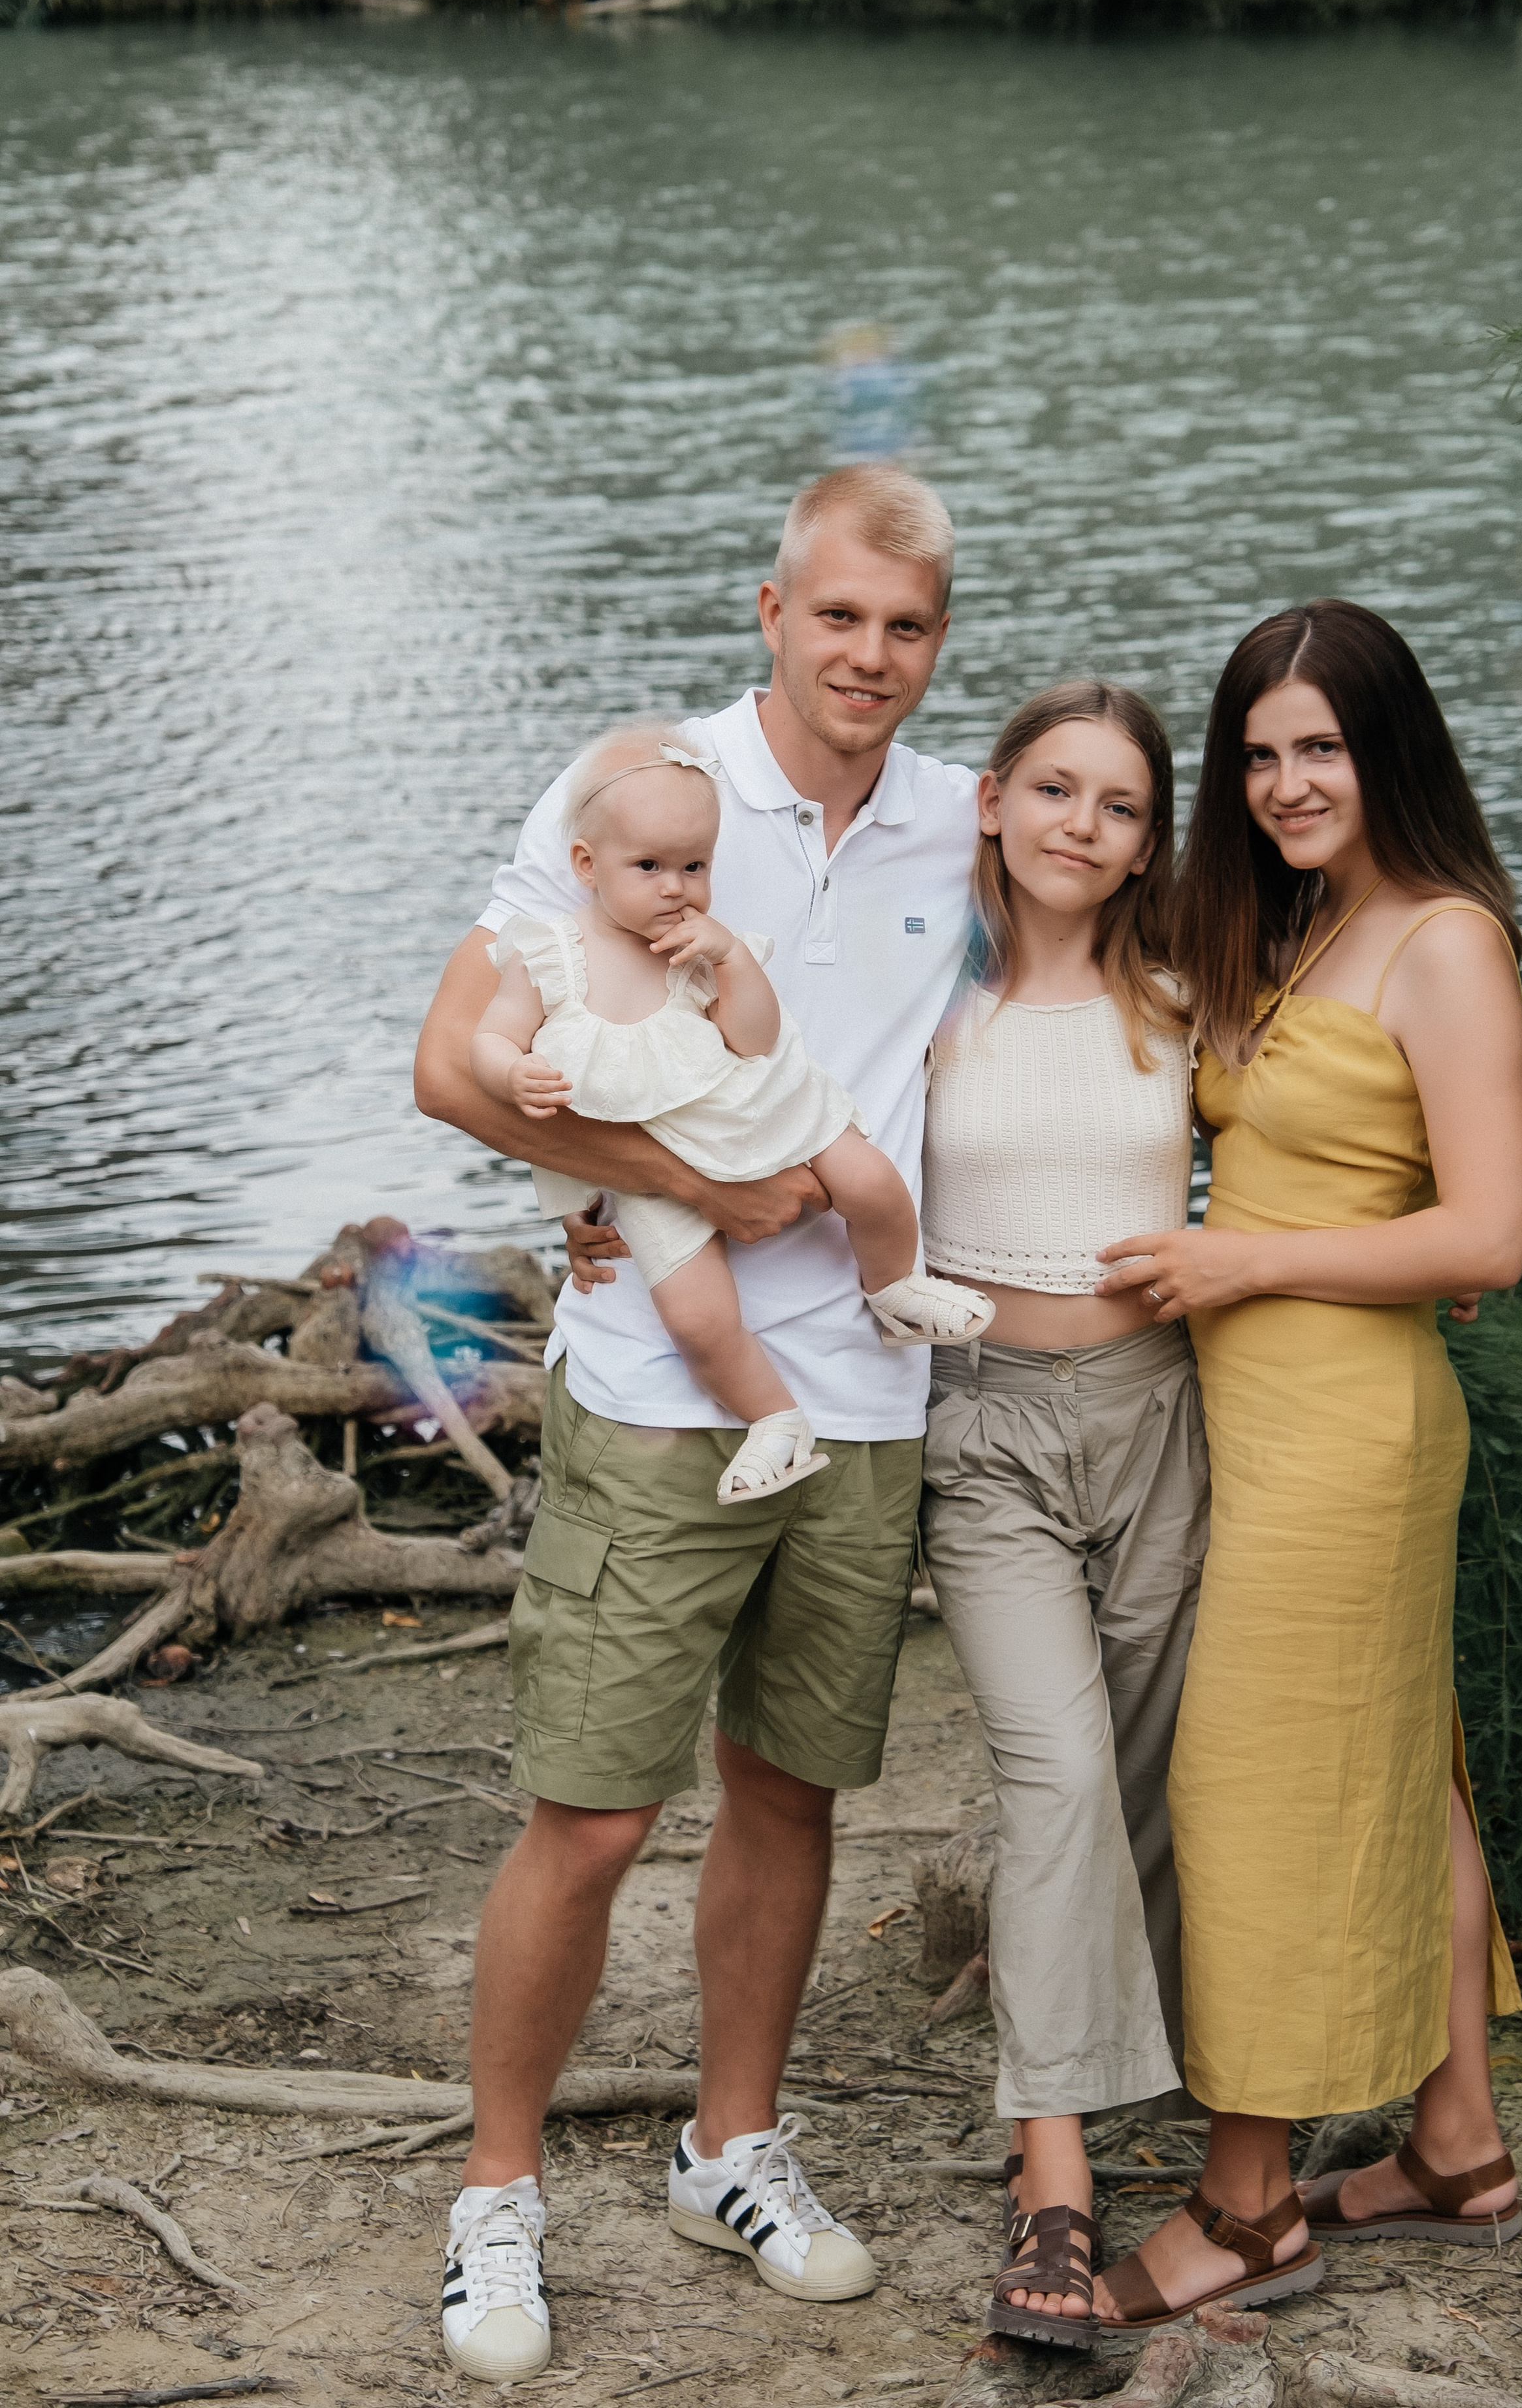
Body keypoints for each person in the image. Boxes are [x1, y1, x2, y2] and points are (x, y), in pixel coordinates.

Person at [412, 462, 980, 2384]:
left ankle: (727, 2146)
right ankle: (497, 2190)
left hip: (865, 1393)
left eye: (906, 627)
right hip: (661, 1384)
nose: (871, 657)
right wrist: (671, 1184)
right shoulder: (641, 796)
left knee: (792, 1790)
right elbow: (454, 1058)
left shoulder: (954, 822)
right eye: (839, 617)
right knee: (585, 1812)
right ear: (770, 609)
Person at [1095, 600, 1522, 2328]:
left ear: (1390, 750)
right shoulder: (1298, 929)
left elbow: (1490, 1235)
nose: (1285, 783)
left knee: (1256, 1790)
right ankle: (1457, 2146)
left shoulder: (1443, 942)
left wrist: (1242, 1261)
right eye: (1260, 754)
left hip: (1352, 1427)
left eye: (1321, 749)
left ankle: (1251, 2200)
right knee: (1403, 1776)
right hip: (1261, 1415)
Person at [916, 681, 1206, 2349]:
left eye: (1114, 804)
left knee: (1152, 1768)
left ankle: (1150, 2062)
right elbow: (756, 1101)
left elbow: (1312, 1138)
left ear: (1146, 837)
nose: (1078, 825)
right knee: (1056, 1765)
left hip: (1158, 1409)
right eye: (1051, 789)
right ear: (989, 799)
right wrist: (608, 1218)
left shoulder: (1182, 992)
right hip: (986, 1434)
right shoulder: (918, 994)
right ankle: (1055, 2183)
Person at [470, 723, 992, 1505]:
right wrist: (514, 1072)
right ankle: (774, 1423)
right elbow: (485, 1039)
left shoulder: (698, 948)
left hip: (749, 1113)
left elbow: (752, 1040)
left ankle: (892, 1289)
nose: (674, 887)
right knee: (697, 1318)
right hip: (655, 1172)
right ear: (587, 865)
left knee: (872, 1181)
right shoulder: (547, 953)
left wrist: (732, 959)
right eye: (647, 867)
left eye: (694, 867)